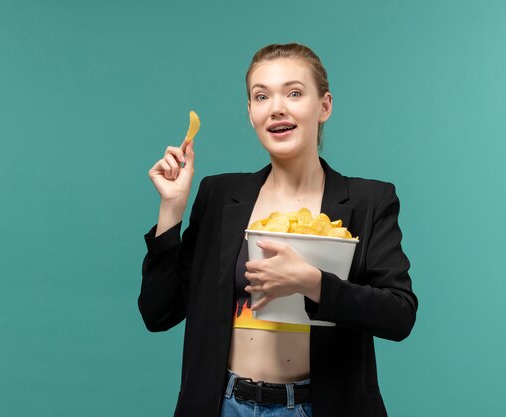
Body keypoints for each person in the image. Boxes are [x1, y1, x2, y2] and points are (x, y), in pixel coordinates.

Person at [139, 43, 418, 417]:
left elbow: (399, 315)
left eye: (294, 93)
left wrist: (312, 282)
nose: (277, 108)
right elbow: (159, 313)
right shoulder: (219, 196)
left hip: (317, 407)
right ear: (251, 113)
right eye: (261, 96)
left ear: (324, 106)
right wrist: (171, 207)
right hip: (224, 405)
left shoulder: (370, 201)